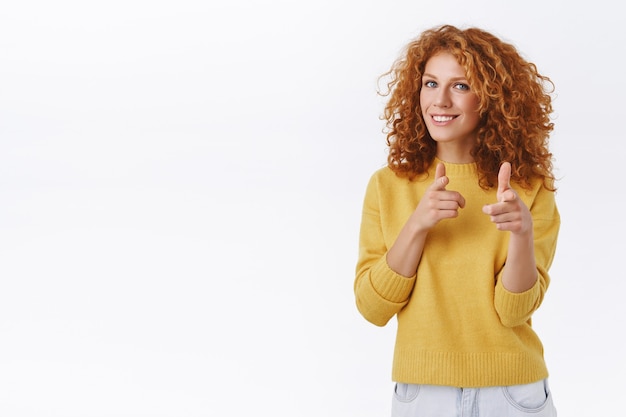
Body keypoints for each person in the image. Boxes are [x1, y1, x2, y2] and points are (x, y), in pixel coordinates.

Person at [354, 24, 560, 417]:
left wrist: (522, 233)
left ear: (492, 98)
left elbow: (515, 312)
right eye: (431, 83)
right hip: (423, 395)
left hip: (513, 393)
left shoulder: (529, 188)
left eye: (461, 86)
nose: (441, 100)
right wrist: (417, 224)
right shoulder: (388, 186)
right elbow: (371, 308)